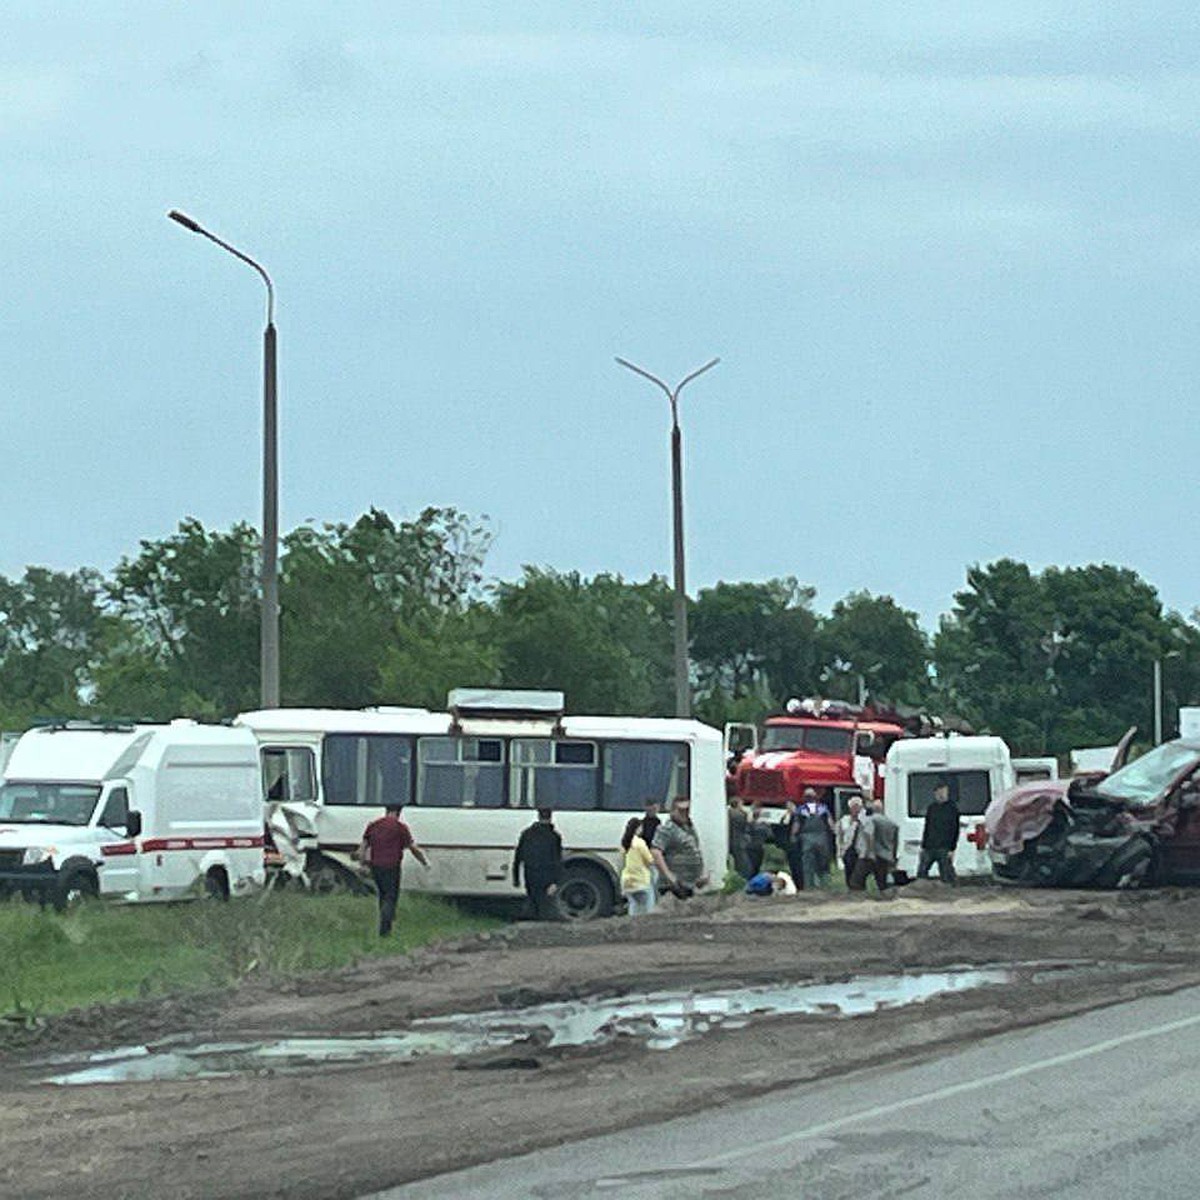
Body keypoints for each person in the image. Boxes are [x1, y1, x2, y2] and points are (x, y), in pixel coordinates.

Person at [359, 804, 429, 937]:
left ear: (386, 811)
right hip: (392, 866)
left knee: (382, 895)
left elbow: (363, 847)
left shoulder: (373, 825)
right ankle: (386, 928)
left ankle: (384, 923)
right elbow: (413, 848)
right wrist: (424, 862)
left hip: (376, 866)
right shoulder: (400, 827)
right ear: (399, 812)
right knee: (391, 897)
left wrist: (362, 864)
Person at [651, 796, 709, 898]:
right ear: (673, 811)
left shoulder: (689, 828)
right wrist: (668, 875)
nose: (685, 814)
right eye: (681, 810)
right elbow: (656, 852)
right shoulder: (667, 829)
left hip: (689, 884)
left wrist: (702, 873)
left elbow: (696, 851)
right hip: (674, 885)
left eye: (687, 810)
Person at [513, 807, 564, 919]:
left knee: (532, 901)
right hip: (546, 876)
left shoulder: (527, 834)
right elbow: (557, 860)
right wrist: (556, 881)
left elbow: (518, 857)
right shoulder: (554, 837)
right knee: (545, 906)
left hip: (530, 874)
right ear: (550, 818)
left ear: (538, 817)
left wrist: (516, 878)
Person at [849, 799, 898, 892]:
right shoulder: (892, 823)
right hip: (885, 856)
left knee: (856, 881)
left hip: (869, 855)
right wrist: (893, 856)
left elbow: (869, 835)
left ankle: (860, 901)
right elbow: (895, 841)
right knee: (882, 883)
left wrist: (870, 852)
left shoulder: (869, 820)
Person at [918, 777, 960, 882]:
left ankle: (949, 890)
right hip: (929, 846)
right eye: (939, 792)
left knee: (946, 872)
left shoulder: (952, 808)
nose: (941, 794)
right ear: (935, 793)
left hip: (944, 847)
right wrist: (923, 846)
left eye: (944, 792)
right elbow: (927, 827)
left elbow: (955, 829)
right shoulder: (931, 808)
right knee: (922, 871)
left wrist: (952, 848)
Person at [795, 787, 836, 889]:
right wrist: (835, 833)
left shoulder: (801, 810)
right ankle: (825, 886)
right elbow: (831, 823)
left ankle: (809, 887)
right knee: (823, 863)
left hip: (807, 839)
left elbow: (796, 825)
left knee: (808, 865)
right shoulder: (823, 808)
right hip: (822, 838)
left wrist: (793, 836)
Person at [620, 817, 656, 916]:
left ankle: (632, 921)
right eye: (641, 828)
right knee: (649, 900)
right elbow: (649, 860)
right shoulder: (640, 843)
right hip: (640, 880)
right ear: (637, 828)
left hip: (627, 880)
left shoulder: (624, 843)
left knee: (633, 904)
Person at [837, 795, 864, 882]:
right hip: (847, 850)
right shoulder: (844, 820)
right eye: (853, 807)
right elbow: (839, 837)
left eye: (857, 807)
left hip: (860, 851)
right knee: (849, 873)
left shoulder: (865, 821)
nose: (855, 809)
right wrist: (839, 852)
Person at [727, 797, 752, 879]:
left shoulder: (727, 813)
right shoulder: (741, 814)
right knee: (743, 864)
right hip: (739, 841)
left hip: (729, 840)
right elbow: (747, 824)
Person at [745, 799, 771, 878]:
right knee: (755, 866)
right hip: (758, 846)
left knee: (752, 866)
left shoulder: (750, 823)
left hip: (751, 846)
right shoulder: (764, 824)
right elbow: (769, 835)